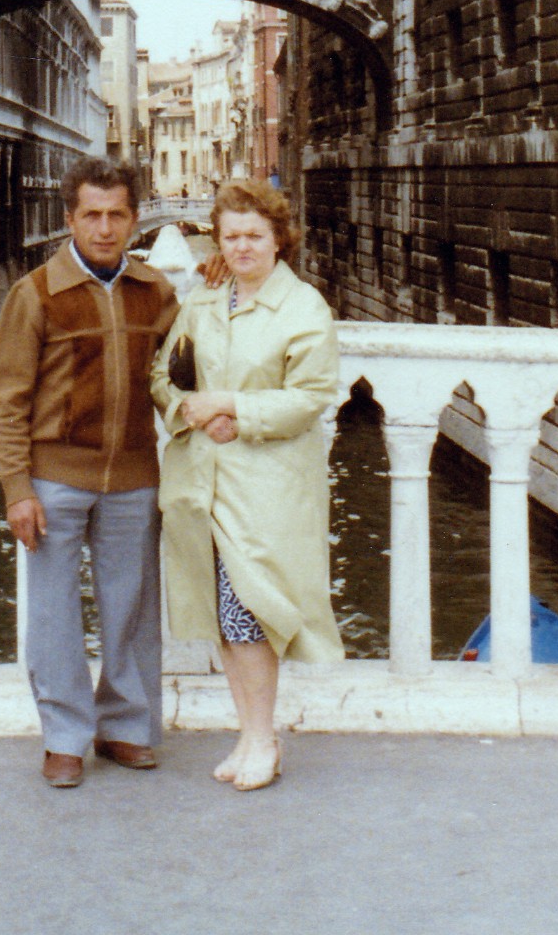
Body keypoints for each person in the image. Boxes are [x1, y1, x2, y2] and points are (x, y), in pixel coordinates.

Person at [0, 156, 180, 789]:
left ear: (135, 219)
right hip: (55, 479)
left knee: (132, 609)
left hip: (133, 476)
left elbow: (187, 361)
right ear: (69, 219)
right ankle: (64, 737)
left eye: (116, 215)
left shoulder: (155, 291)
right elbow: (7, 400)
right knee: (53, 614)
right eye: (92, 215)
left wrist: (220, 278)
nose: (104, 228)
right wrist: (17, 488)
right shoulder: (36, 293)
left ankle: (124, 726)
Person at [150, 179, 342, 792]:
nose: (241, 247)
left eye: (254, 235)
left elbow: (311, 397)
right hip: (202, 482)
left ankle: (263, 740)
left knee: (250, 615)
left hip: (265, 489)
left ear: (279, 239)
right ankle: (250, 735)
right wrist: (189, 410)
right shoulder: (205, 299)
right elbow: (164, 374)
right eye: (230, 236)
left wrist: (233, 408)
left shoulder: (304, 308)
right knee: (224, 615)